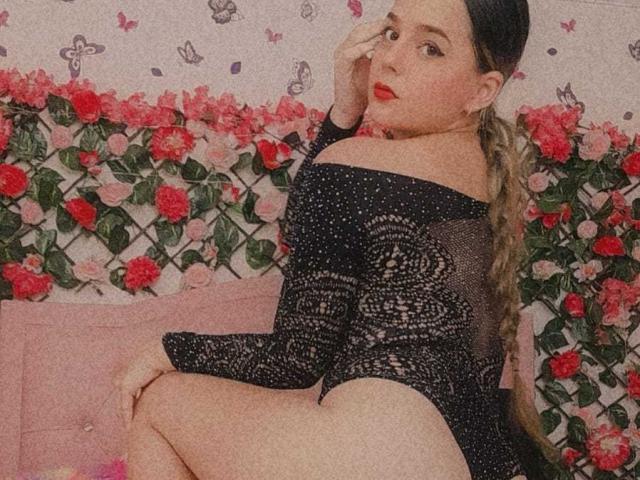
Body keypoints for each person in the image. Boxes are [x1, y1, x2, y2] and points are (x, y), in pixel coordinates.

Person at [114, 0, 563, 478]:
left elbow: (296, 358)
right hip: (486, 460)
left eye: (430, 48)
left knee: (159, 401)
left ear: (482, 90)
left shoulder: (355, 163)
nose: (391, 60)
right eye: (391, 34)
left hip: (384, 451)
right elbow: (319, 225)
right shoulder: (487, 180)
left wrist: (167, 350)